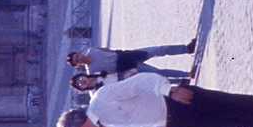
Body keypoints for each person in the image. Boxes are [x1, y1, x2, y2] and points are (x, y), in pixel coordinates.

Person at [56, 72, 253, 127]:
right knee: (232, 123)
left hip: (177, 101)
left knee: (233, 102)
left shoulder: (102, 98)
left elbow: (140, 81)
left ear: (79, 125)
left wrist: (169, 89)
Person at [67, 39, 195, 80]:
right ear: (78, 65)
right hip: (129, 67)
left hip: (130, 55)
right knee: (158, 72)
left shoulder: (92, 50)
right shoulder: (92, 71)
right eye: (76, 61)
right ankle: (187, 74)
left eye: (77, 56)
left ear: (79, 53)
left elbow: (109, 50)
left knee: (160, 50)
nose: (79, 59)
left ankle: (187, 49)